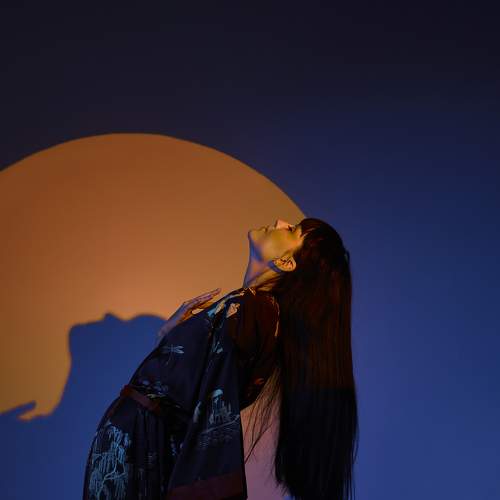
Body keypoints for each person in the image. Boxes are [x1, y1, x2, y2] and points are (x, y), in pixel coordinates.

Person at [82, 217, 358, 500]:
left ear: (286, 262)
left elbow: (210, 402)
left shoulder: (254, 309)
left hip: (138, 448)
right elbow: (191, 387)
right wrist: (168, 339)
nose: (279, 221)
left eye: (292, 230)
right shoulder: (252, 309)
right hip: (135, 444)